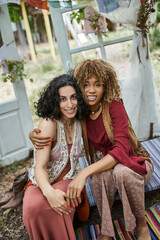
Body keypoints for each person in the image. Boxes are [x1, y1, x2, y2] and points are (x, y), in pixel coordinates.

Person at [30, 59, 153, 240]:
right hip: (108, 167)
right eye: (85, 85)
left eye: (98, 84)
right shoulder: (81, 111)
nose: (91, 90)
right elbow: (60, 122)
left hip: (134, 163)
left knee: (121, 172)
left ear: (107, 85)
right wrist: (33, 134)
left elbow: (121, 150)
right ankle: (107, 230)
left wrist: (82, 174)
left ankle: (141, 223)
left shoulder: (114, 104)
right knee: (98, 178)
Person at [23, 74, 88, 240]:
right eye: (63, 99)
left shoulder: (81, 121)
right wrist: (49, 192)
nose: (70, 104)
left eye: (73, 97)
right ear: (55, 101)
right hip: (41, 181)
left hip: (69, 178)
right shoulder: (48, 124)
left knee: (56, 206)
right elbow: (40, 167)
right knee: (32, 208)